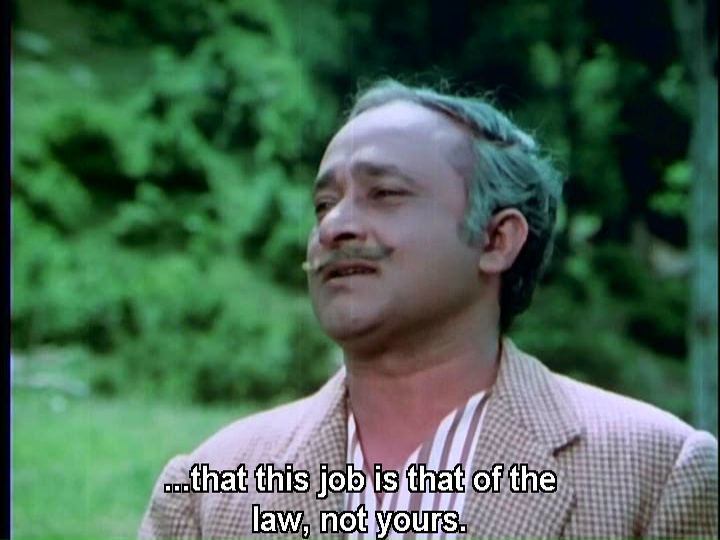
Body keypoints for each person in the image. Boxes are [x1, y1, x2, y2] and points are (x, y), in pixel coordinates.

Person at [138, 80, 717, 539]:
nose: (335, 226)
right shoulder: (209, 492)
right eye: (323, 204)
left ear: (496, 240)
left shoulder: (655, 473)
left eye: (385, 193)